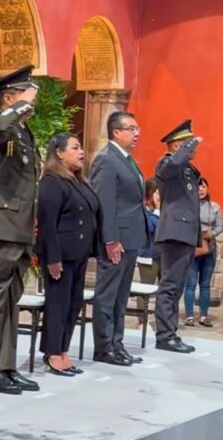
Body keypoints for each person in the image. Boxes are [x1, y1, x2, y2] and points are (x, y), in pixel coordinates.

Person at [0, 64, 40, 395]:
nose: (32, 102)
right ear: (9, 97)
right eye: (26, 94)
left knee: (11, 300)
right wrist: (21, 106)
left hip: (19, 225)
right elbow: (2, 122)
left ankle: (6, 365)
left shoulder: (22, 131)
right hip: (1, 224)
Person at [35, 133, 100, 376]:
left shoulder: (78, 181)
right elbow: (47, 223)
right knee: (58, 304)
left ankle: (63, 349)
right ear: (59, 153)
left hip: (79, 253)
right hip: (60, 255)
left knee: (73, 304)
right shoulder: (52, 182)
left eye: (81, 147)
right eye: (75, 148)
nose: (81, 152)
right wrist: (52, 258)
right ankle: (52, 353)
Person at [90, 111, 148, 366]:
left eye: (137, 129)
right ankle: (103, 347)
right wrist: (110, 239)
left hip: (131, 237)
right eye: (132, 129)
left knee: (121, 296)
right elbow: (105, 204)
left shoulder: (126, 159)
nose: (137, 134)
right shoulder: (106, 160)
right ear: (116, 132)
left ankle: (117, 343)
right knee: (108, 294)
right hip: (116, 239)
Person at [154, 119, 202, 353]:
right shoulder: (167, 164)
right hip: (174, 232)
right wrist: (184, 150)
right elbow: (170, 167)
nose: (192, 149)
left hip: (186, 233)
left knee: (177, 286)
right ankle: (164, 335)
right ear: (176, 146)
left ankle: (170, 333)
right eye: (186, 144)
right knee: (170, 286)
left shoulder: (186, 169)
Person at [184, 177, 220, 327]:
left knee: (205, 284)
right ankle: (189, 315)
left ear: (207, 188)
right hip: (192, 248)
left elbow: (220, 225)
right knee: (190, 284)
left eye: (204, 187)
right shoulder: (187, 206)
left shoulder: (214, 207)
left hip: (208, 248)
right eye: (198, 187)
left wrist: (212, 233)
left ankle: (204, 315)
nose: (201, 190)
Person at [136, 178, 161, 316]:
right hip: (148, 256)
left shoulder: (166, 210)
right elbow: (150, 227)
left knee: (164, 291)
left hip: (165, 256)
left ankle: (161, 319)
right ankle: (141, 320)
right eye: (156, 192)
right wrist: (157, 212)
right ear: (149, 193)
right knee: (145, 288)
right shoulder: (143, 210)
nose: (159, 196)